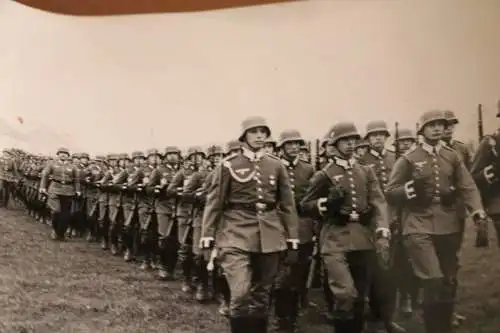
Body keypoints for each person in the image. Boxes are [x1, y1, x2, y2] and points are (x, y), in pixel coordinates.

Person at [386, 110, 489, 333]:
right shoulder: (408, 159)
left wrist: (477, 211)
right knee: (432, 279)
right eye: (432, 125)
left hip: (448, 224)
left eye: (441, 125)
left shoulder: (452, 156)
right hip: (417, 224)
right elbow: (390, 191)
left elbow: (467, 186)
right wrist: (408, 189)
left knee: (448, 281)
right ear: (421, 130)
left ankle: (443, 327)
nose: (437, 129)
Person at [200, 116, 299, 333]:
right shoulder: (228, 165)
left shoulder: (276, 165)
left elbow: (288, 205)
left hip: (270, 234)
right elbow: (214, 202)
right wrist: (207, 236)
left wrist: (292, 238)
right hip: (235, 232)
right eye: (254, 132)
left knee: (263, 293)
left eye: (263, 132)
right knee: (241, 292)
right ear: (244, 136)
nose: (260, 136)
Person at [300, 122, 391, 333]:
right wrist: (325, 205)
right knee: (345, 293)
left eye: (353, 140)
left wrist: (382, 229)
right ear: (335, 144)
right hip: (335, 239)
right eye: (345, 141)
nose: (350, 144)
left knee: (359, 295)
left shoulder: (366, 171)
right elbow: (305, 205)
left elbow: (379, 201)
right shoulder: (325, 174)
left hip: (362, 239)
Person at [273, 129, 315, 332]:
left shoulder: (308, 169)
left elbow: (314, 197)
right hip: (279, 225)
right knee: (281, 274)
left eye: (297, 144)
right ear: (281, 147)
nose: (293, 147)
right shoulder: (273, 166)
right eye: (289, 144)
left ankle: (294, 311)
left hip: (303, 226)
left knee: (300, 271)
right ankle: (283, 317)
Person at [40, 147, 81, 241]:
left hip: (68, 191)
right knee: (56, 211)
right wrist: (42, 187)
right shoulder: (52, 164)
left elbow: (77, 180)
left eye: (65, 153)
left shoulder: (73, 167)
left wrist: (77, 190)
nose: (63, 155)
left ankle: (61, 233)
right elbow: (45, 175)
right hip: (55, 188)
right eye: (61, 153)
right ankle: (55, 229)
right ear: (58, 155)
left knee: (66, 214)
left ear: (68, 156)